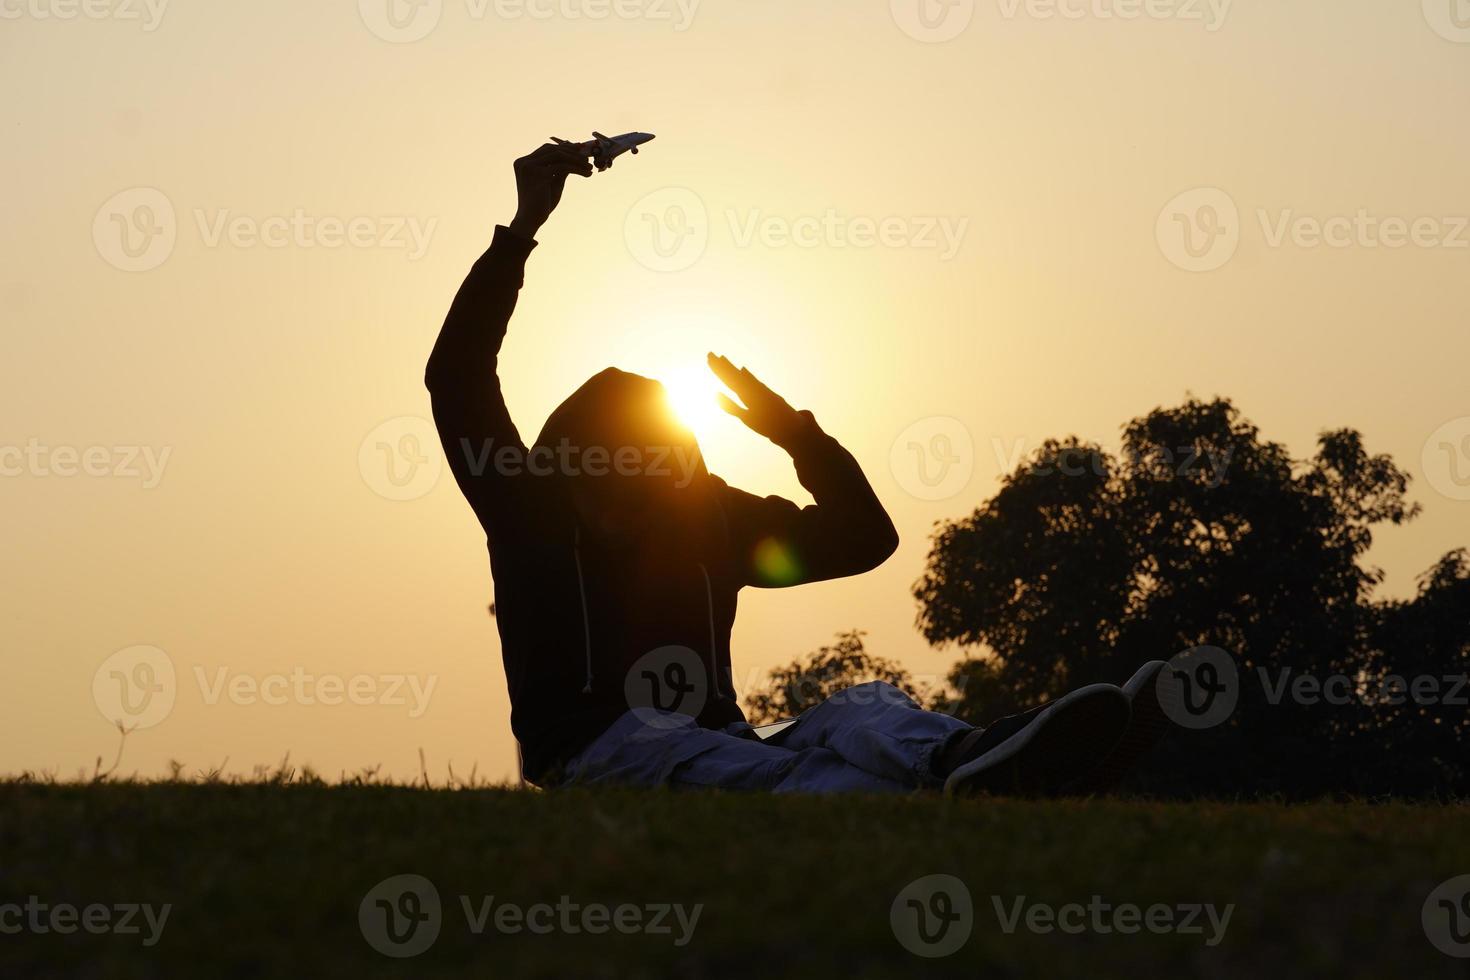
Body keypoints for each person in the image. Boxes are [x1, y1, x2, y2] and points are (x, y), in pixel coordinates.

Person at [426, 142, 1168, 794]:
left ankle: (969, 758)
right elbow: (458, 380)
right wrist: (521, 230)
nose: (641, 486)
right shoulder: (530, 513)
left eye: (657, 467)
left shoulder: (707, 521)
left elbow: (863, 538)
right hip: (596, 757)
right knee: (772, 774)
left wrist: (793, 433)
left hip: (723, 743)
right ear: (576, 464)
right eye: (619, 466)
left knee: (861, 708)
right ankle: (960, 800)